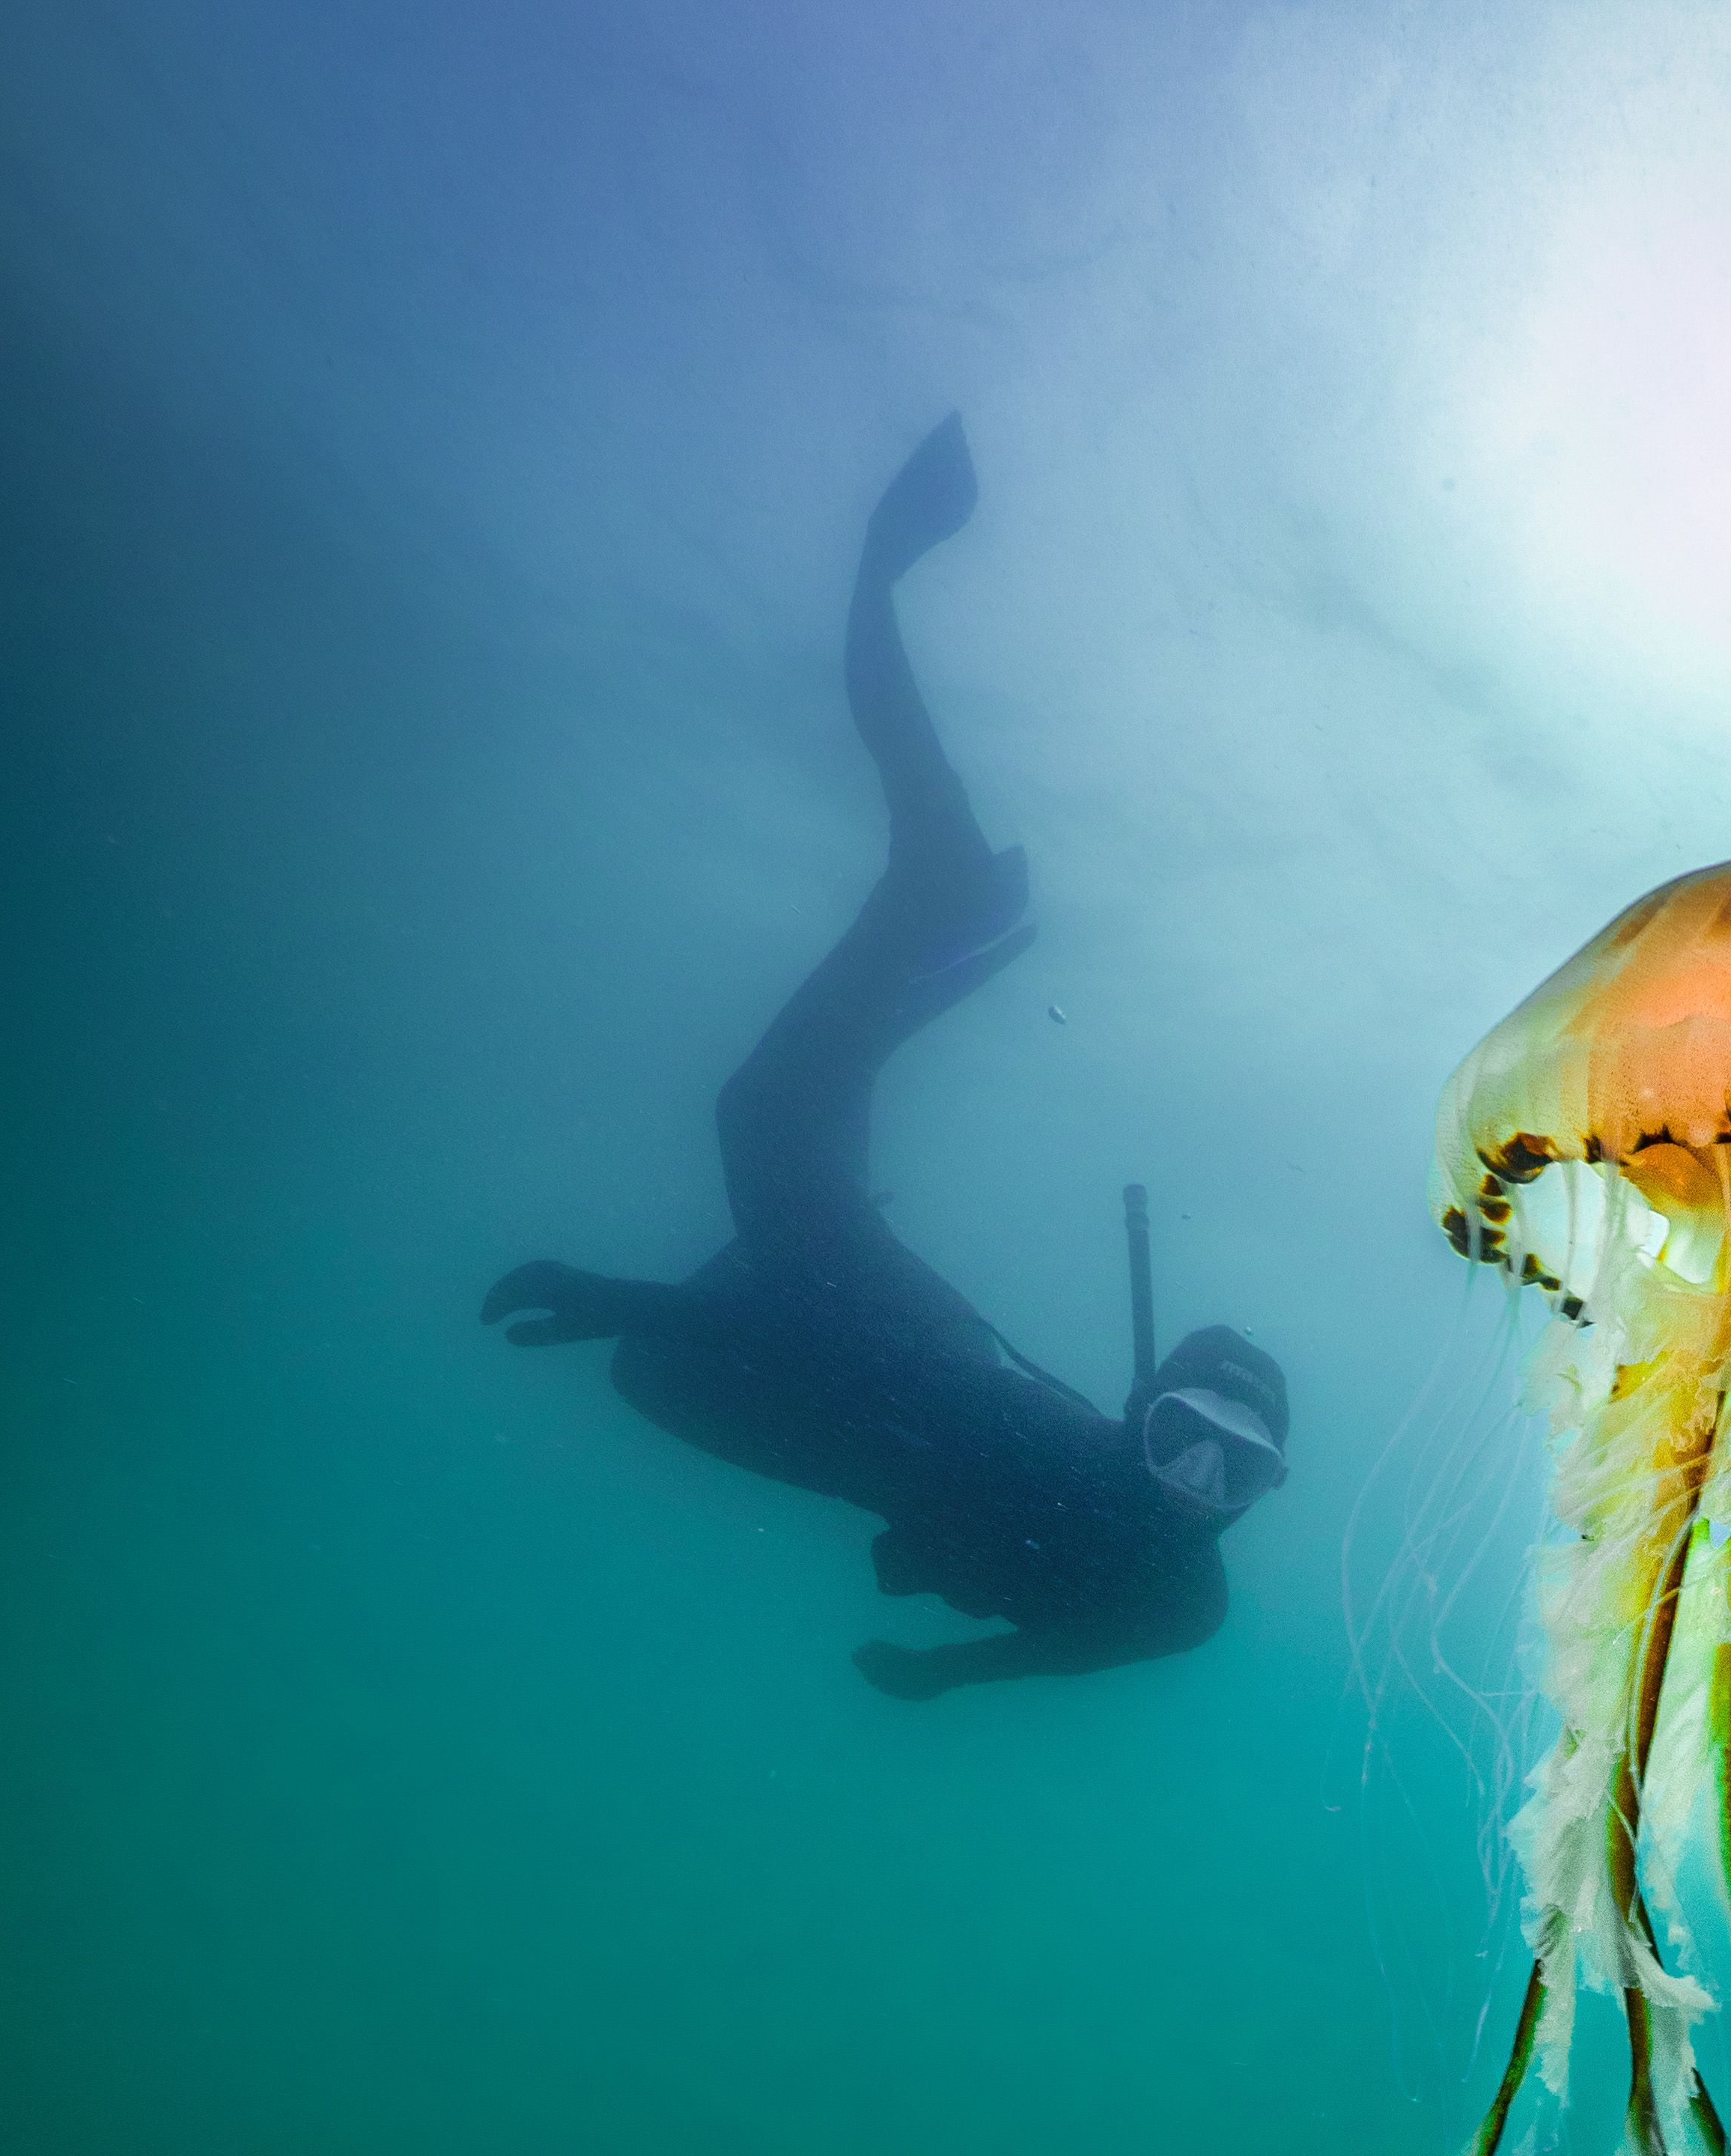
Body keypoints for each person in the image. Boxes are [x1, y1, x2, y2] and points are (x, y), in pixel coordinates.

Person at [483, 415, 1289, 1699]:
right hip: (886, 1346)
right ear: (1142, 1417)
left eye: (1231, 1471)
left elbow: (1059, 1646)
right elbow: (873, 1368)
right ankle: (932, 881)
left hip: (831, 1425)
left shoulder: (1183, 1609)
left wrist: (942, 1675)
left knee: (661, 1379)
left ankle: (918, 962)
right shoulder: (1048, 1448)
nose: (1194, 1485)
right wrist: (612, 1292)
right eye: (1186, 1440)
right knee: (761, 1123)